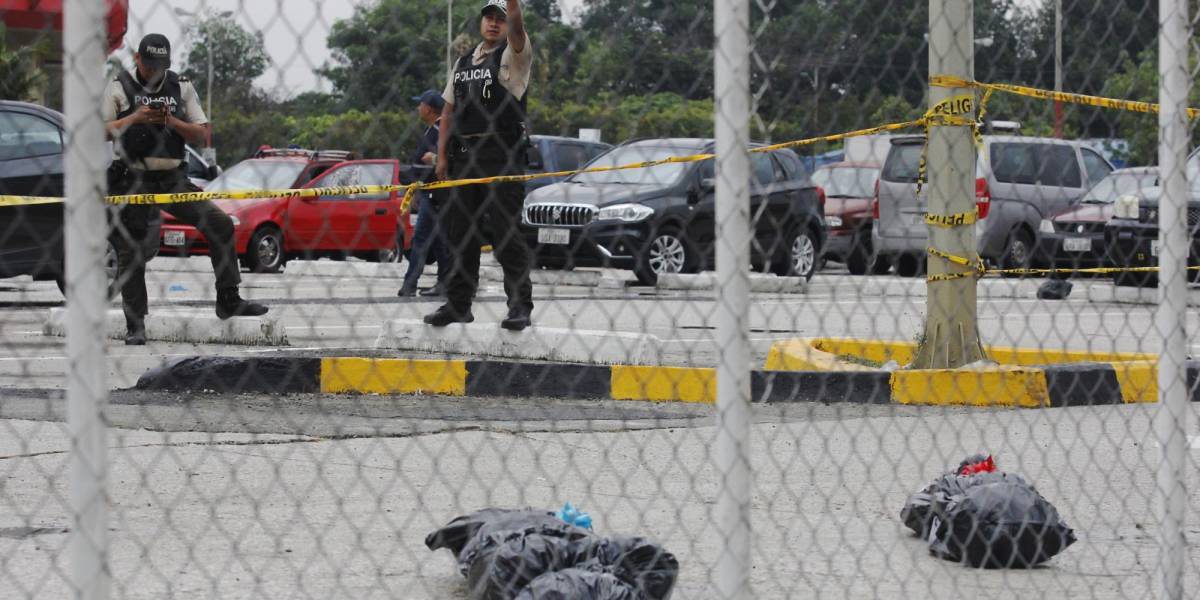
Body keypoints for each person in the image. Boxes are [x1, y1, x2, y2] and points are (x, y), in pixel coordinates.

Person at [103, 34, 267, 345]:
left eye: (159, 66)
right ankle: (135, 325)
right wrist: (134, 117)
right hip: (132, 178)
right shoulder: (118, 86)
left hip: (174, 179)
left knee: (219, 223)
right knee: (130, 247)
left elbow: (202, 133)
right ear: (138, 59)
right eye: (149, 66)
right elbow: (98, 131)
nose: (154, 72)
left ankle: (228, 299)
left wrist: (173, 122)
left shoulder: (182, 86)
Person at [424, 0, 534, 331]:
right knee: (460, 234)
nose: (494, 23)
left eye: (500, 18)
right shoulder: (462, 62)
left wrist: (512, 6)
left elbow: (516, 24)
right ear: (481, 21)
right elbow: (448, 112)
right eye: (489, 17)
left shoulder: (514, 55)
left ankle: (519, 307)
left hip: (501, 153)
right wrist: (442, 156)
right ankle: (458, 304)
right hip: (465, 156)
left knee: (505, 234)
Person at [398, 90, 450, 298]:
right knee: (437, 241)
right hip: (431, 193)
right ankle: (442, 282)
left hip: (437, 194)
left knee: (423, 239)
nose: (418, 108)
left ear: (428, 108)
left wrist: (436, 159)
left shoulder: (439, 131)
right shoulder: (432, 131)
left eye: (420, 104)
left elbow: (441, 160)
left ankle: (411, 284)